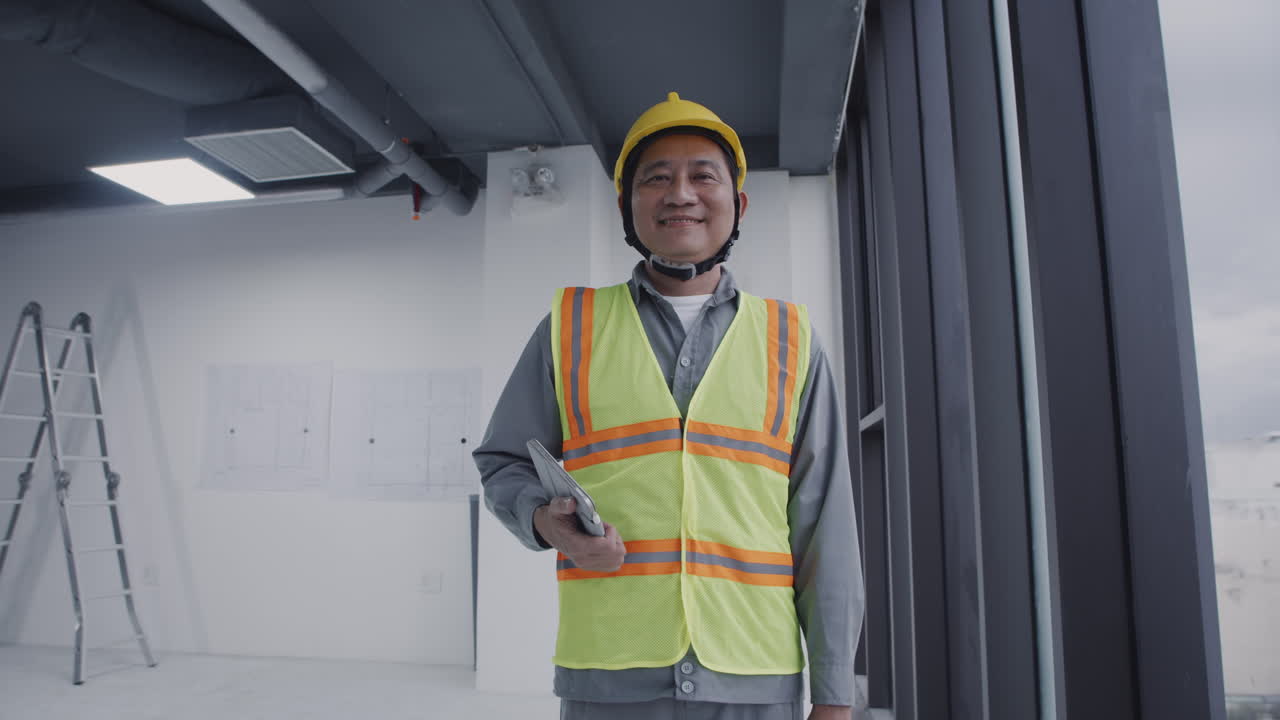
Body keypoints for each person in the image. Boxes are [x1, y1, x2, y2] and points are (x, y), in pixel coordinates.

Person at [473, 92, 865, 720]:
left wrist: (835, 694)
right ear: (628, 208)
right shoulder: (569, 327)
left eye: (702, 176)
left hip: (753, 678)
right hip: (610, 678)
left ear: (736, 205)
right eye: (656, 178)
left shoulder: (791, 341)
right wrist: (546, 522)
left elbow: (826, 527)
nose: (680, 193)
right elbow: (503, 462)